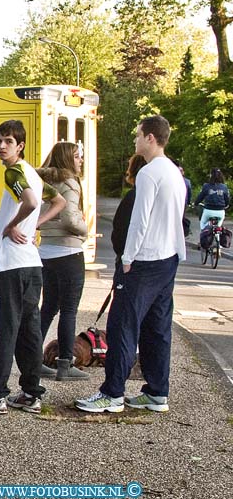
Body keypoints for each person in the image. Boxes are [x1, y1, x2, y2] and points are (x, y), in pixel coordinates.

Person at [76, 115, 186, 413]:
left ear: (151, 138)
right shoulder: (174, 173)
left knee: (122, 325)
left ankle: (112, 393)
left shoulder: (150, 173)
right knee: (157, 327)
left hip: (144, 260)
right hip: (168, 259)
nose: (135, 139)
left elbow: (140, 221)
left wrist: (127, 258)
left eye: (139, 135)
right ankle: (156, 391)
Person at [0, 120, 65, 415]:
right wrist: (34, 224)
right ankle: (30, 392)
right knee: (28, 331)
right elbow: (59, 201)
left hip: (10, 264)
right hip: (31, 264)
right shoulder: (34, 174)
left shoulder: (14, 172)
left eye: (8, 141)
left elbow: (29, 201)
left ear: (20, 145)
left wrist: (13, 225)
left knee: (1, 329)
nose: (1, 146)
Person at [36, 142, 89, 381]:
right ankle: (65, 363)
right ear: (68, 159)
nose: (80, 161)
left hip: (45, 250)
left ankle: (33, 358)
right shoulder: (70, 183)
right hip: (68, 251)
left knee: (47, 308)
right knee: (69, 310)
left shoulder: (44, 182)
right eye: (77, 157)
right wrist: (84, 229)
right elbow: (69, 218)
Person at [111, 155, 148, 261]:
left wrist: (123, 254)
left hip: (131, 257)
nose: (127, 171)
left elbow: (121, 226)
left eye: (129, 166)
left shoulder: (134, 196)